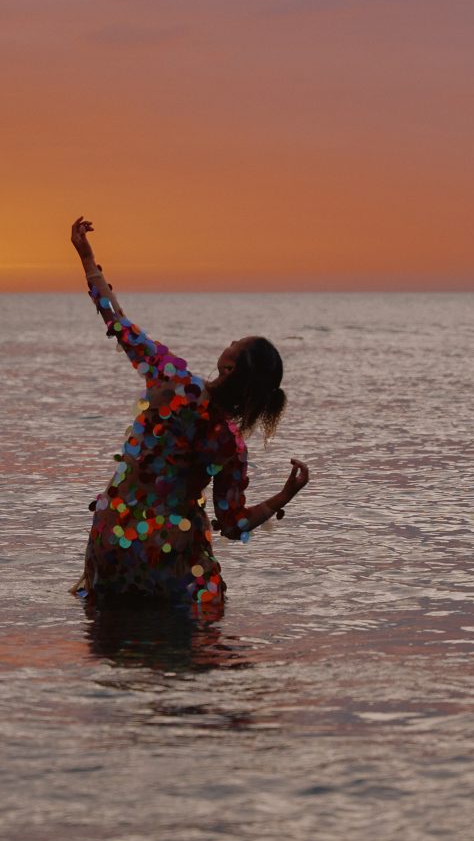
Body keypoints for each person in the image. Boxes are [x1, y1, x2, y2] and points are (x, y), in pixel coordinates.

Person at [69, 216, 309, 613]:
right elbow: (232, 525)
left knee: (111, 639)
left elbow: (119, 323)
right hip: (170, 556)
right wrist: (287, 494)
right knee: (201, 626)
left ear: (230, 369)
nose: (229, 341)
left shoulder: (172, 379)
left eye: (236, 343)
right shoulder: (229, 445)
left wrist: (87, 256)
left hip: (112, 539)